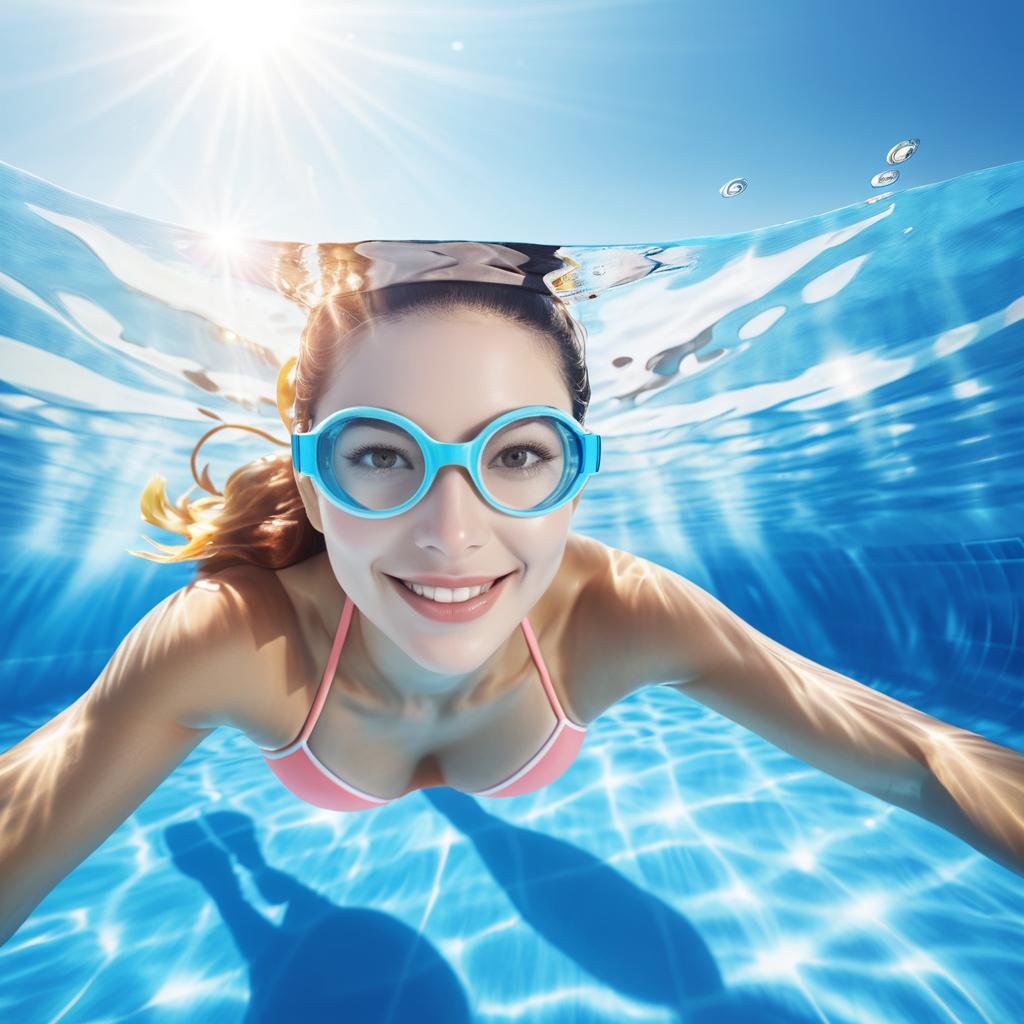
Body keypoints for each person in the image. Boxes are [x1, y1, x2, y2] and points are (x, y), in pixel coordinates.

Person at [2, 255, 1022, 948]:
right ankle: (227, 872)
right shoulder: (234, 638)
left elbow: (922, 752)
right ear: (313, 481)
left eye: (519, 454)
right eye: (380, 456)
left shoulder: (619, 614)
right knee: (245, 909)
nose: (452, 533)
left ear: (575, 476)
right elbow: (26, 793)